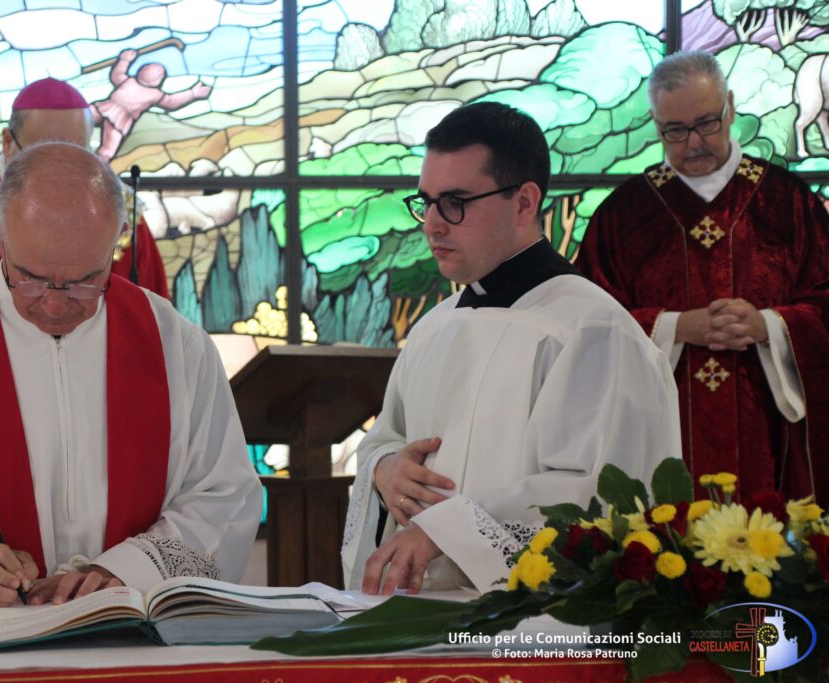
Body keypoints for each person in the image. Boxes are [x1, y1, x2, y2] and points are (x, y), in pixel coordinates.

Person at [0, 141, 261, 607]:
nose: (57, 304)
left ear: (119, 237)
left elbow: (222, 496)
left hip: (133, 630)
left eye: (85, 280)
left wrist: (126, 571)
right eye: (31, 278)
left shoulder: (177, 349)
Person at [341, 102, 681, 596]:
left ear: (524, 202)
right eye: (426, 202)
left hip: (531, 625)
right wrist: (386, 468)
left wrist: (447, 531)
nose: (432, 224)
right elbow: (385, 439)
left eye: (455, 202)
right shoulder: (436, 326)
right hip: (420, 608)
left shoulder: (592, 331)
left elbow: (597, 494)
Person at [577, 51, 829, 502]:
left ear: (730, 107)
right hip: (660, 436)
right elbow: (589, 323)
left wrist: (770, 326)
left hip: (772, 438)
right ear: (656, 125)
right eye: (675, 130)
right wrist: (674, 327)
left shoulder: (788, 202)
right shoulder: (623, 214)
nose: (694, 142)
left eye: (707, 123)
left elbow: (824, 300)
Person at [0, 77, 169, 364]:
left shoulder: (120, 212)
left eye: (77, 154)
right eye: (41, 155)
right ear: (7, 142)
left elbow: (153, 329)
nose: (60, 173)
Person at [90, 50, 211, 162]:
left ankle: (94, 166)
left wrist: (124, 60)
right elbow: (172, 101)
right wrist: (192, 93)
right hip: (114, 116)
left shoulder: (136, 85)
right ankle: (97, 163)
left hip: (108, 110)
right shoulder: (150, 91)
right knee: (107, 149)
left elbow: (117, 74)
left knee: (89, 124)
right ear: (158, 80)